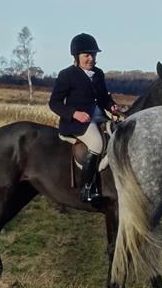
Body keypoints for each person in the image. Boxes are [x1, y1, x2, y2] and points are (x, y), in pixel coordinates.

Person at [49, 33, 120, 203]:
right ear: (76, 56)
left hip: (100, 118)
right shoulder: (67, 75)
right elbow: (54, 103)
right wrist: (74, 113)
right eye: (86, 55)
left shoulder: (98, 73)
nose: (91, 59)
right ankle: (86, 188)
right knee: (97, 143)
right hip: (77, 122)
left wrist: (111, 105)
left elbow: (102, 97)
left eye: (93, 55)